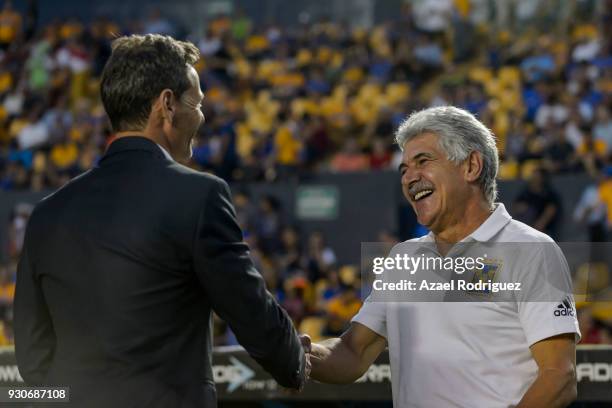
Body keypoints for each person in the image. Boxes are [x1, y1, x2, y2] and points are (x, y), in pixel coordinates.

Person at [14, 34, 308, 408]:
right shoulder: (199, 196)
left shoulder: (46, 213)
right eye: (197, 103)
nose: (200, 117)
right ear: (167, 104)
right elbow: (251, 313)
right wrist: (293, 361)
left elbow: (32, 356)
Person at [304, 106, 580, 407]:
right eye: (404, 170)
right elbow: (353, 353)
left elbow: (559, 377)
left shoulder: (533, 250)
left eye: (423, 161)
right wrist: (296, 356)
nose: (410, 178)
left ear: (472, 166)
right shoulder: (403, 259)